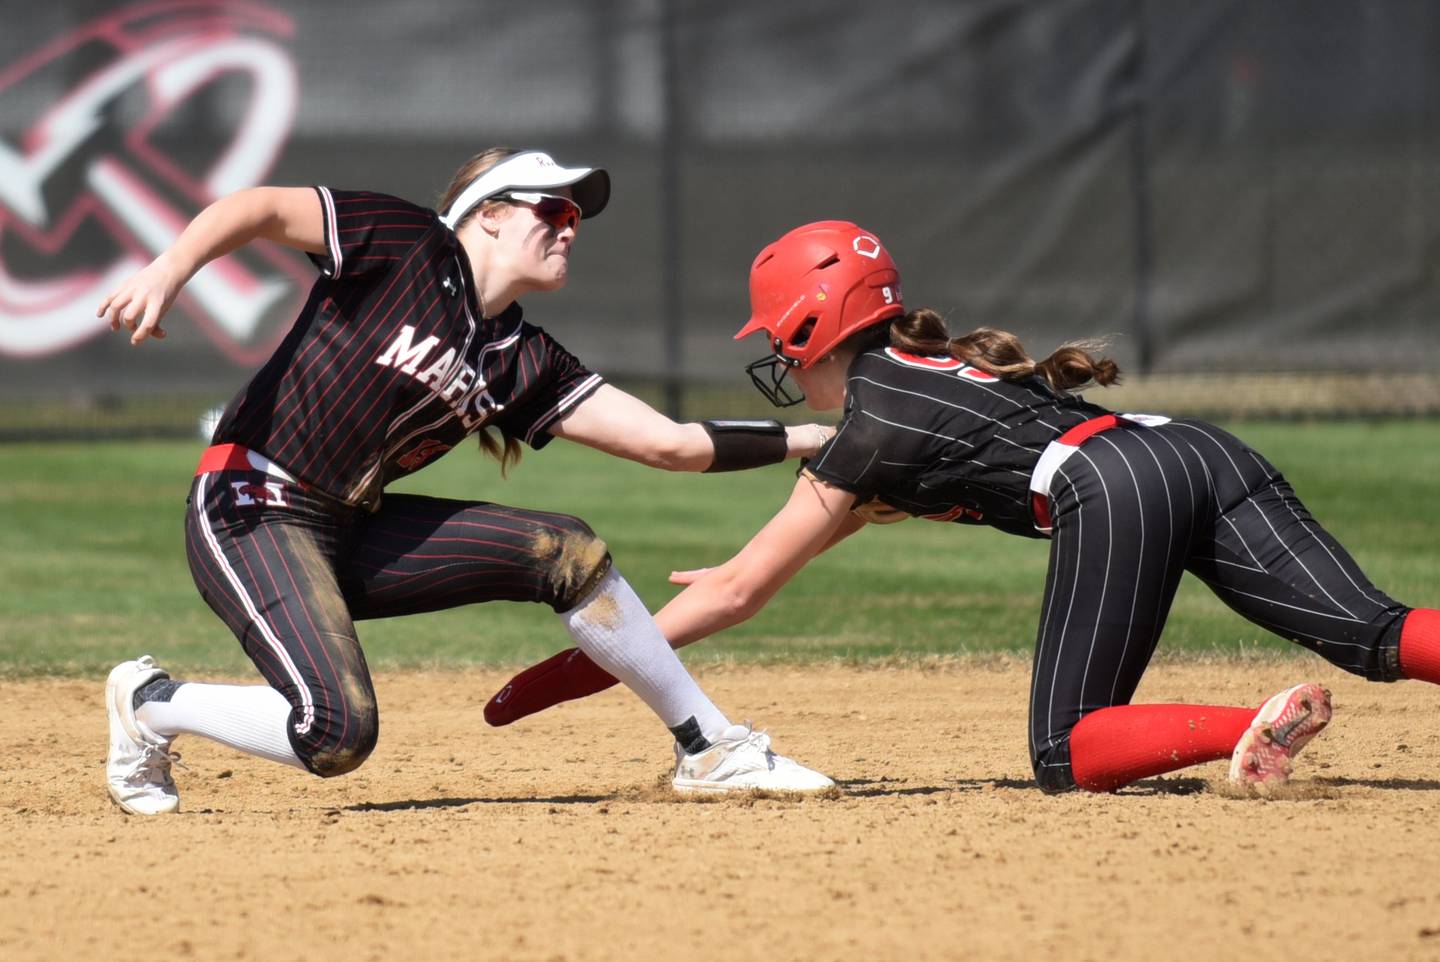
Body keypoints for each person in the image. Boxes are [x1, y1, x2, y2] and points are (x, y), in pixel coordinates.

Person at [482, 219, 1440, 794]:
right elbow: (776, 556)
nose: (783, 359)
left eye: (783, 339)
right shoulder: (927, 374)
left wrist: (561, 676)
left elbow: (738, 591)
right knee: (1374, 632)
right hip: (1195, 448)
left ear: (814, 326)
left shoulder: (871, 423)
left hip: (1112, 486)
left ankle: (1246, 729)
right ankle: (1265, 718)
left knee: (1067, 752)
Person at [96, 149, 839, 816]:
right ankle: (153, 704)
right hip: (250, 506)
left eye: (577, 215)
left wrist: (818, 439)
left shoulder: (524, 356)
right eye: (552, 208)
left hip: (350, 530)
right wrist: (169, 269)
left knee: (567, 551)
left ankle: (709, 747)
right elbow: (256, 208)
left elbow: (669, 444)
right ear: (488, 214)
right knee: (335, 733)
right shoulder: (408, 243)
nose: (571, 226)